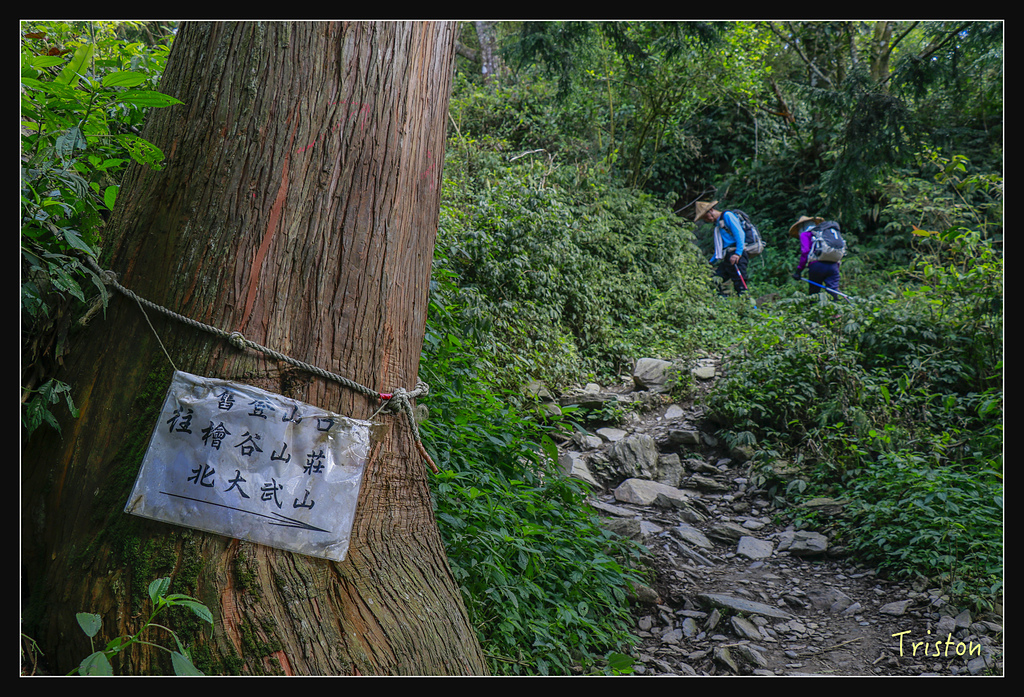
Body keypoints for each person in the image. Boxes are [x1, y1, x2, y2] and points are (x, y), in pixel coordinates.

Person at [695, 200, 749, 296]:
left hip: (736, 255)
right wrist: (710, 263)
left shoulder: (727, 216)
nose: (706, 220)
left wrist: (738, 253)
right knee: (715, 280)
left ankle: (749, 306)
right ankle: (725, 302)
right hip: (728, 256)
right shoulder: (718, 225)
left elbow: (740, 234)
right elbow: (719, 249)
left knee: (740, 284)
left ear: (711, 210)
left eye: (705, 217)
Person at [789, 215, 841, 299]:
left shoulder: (805, 234)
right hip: (833, 265)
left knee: (814, 293)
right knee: (833, 292)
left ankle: (814, 308)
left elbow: (805, 251)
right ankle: (839, 310)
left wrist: (799, 270)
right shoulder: (823, 234)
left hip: (817, 265)